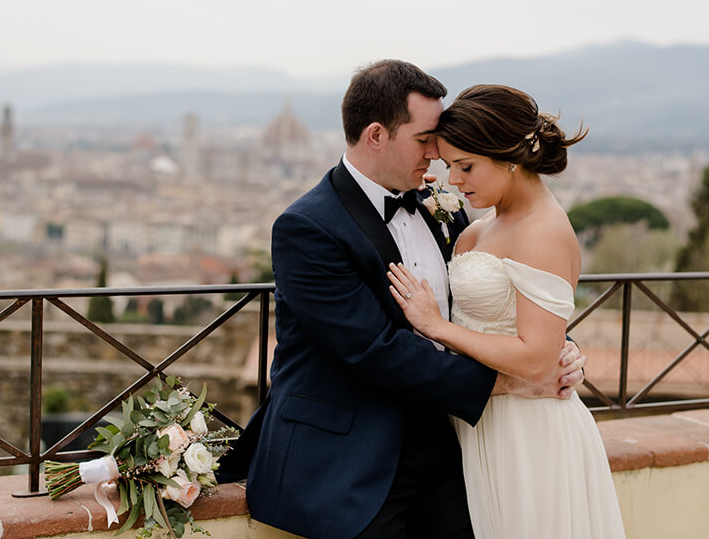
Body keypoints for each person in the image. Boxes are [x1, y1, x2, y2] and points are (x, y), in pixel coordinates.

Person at [216, 61, 586, 539]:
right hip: (352, 462)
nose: (437, 153)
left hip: (453, 447)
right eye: (423, 139)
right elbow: (376, 351)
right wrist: (512, 382)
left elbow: (494, 291)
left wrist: (556, 344)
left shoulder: (444, 206)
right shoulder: (308, 228)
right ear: (376, 135)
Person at [387, 84, 626, 538]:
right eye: (450, 166)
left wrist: (437, 327)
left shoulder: (543, 230)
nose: (454, 180)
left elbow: (537, 359)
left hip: (529, 430)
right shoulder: (485, 226)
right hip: (479, 420)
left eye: (466, 166)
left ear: (509, 158)